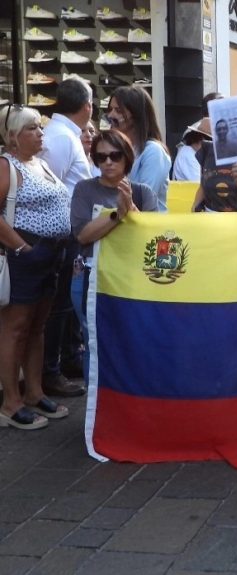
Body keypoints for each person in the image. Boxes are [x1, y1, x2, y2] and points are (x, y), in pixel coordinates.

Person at [0, 104, 72, 430]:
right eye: (32, 128)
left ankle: (34, 391)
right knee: (16, 328)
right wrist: (23, 247)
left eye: (39, 127)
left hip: (50, 255)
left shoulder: (41, 164)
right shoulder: (6, 165)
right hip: (25, 256)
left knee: (38, 327)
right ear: (13, 137)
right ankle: (11, 402)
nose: (40, 133)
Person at [70, 129, 160, 382]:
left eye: (115, 155)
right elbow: (83, 236)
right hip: (91, 277)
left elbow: (151, 239)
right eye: (101, 157)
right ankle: (94, 413)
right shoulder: (85, 189)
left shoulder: (143, 192)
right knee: (95, 344)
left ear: (126, 157)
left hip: (131, 280)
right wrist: (117, 214)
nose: (108, 162)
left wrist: (130, 207)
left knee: (133, 341)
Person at [37, 75, 92, 398]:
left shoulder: (65, 135)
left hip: (71, 232)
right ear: (86, 107)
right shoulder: (61, 137)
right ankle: (51, 370)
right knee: (59, 305)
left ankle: (67, 360)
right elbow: (51, 189)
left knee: (69, 303)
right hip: (62, 234)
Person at [106, 86, 171, 211]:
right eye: (110, 109)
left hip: (146, 227)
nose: (110, 115)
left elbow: (144, 199)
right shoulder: (115, 151)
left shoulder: (153, 151)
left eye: (118, 110)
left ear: (136, 115)